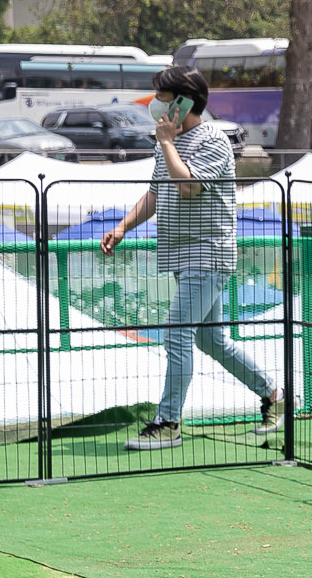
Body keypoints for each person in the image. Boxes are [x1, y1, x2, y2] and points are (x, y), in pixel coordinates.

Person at [108, 65, 283, 451]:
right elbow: (156, 193)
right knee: (212, 340)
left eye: (163, 99)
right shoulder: (165, 144)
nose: (156, 105)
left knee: (176, 332)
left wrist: (168, 143)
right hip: (180, 254)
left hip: (208, 254)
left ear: (184, 102)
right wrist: (122, 227)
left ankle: (168, 422)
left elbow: (188, 187)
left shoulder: (213, 141)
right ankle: (274, 396)